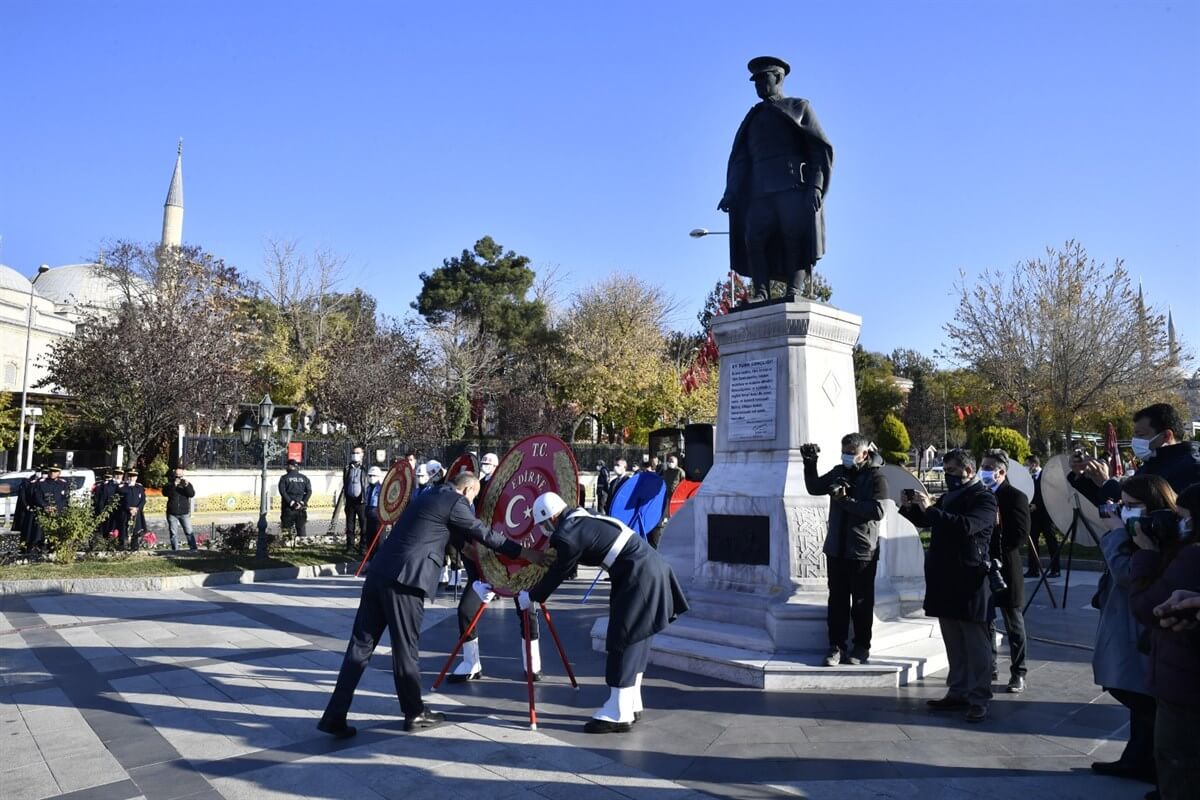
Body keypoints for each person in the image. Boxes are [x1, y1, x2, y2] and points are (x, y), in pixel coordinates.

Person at [317, 473, 543, 738]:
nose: (472, 502)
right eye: (474, 495)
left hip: (379, 574)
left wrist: (471, 553)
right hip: (405, 580)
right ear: (468, 488)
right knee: (406, 649)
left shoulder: (430, 496)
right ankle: (414, 713)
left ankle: (334, 714)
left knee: (360, 647)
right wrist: (524, 552)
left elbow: (445, 534)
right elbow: (484, 533)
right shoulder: (455, 501)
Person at [515, 491, 689, 733]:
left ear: (552, 517)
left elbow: (559, 571)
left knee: (624, 640)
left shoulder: (566, 534)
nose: (545, 530)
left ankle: (618, 711)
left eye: (544, 524)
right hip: (644, 569)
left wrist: (532, 595)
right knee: (636, 638)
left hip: (637, 574)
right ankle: (630, 701)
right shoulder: (583, 517)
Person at [719, 55, 833, 304]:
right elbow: (741, 160)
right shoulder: (753, 118)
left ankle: (795, 290)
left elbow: (818, 150)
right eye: (755, 80)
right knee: (754, 237)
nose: (759, 84)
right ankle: (761, 291)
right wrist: (731, 191)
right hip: (759, 191)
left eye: (763, 78)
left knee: (794, 237)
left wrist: (815, 185)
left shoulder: (799, 107)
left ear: (779, 77)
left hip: (792, 187)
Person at [1091, 474, 1178, 786]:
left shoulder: (1159, 537)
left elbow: (1129, 575)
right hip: (1122, 623)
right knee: (1134, 693)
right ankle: (1137, 757)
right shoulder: (1138, 533)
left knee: (1139, 694)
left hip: (1139, 629)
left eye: (1132, 506)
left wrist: (1115, 535)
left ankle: (1152, 764)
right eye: (1121, 505)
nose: (1123, 512)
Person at [900, 449, 997, 723]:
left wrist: (931, 509)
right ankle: (958, 690)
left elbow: (965, 526)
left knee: (976, 644)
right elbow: (932, 522)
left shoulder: (984, 499)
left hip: (970, 580)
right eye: (946, 471)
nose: (948, 476)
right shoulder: (949, 496)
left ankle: (979, 697)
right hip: (945, 578)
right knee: (953, 641)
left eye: (952, 471)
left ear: (968, 471)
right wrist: (911, 508)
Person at [1129, 483, 1200, 800]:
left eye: (1184, 518)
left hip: (1183, 681)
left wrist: (1145, 554)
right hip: (1179, 674)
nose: (1179, 523)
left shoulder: (1192, 556)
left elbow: (1148, 607)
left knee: (1178, 764)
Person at [449, 450, 543, 684]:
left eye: (491, 462)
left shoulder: (516, 486)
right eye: (484, 463)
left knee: (526, 610)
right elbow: (463, 524)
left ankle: (532, 664)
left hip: (515, 560)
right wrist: (464, 547)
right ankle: (471, 663)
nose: (487, 466)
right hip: (483, 561)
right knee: (466, 610)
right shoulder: (476, 488)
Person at [802, 434, 888, 666]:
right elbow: (814, 488)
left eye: (852, 452)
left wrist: (845, 500)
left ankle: (861, 646)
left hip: (862, 550)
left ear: (865, 454)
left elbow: (877, 511)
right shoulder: (839, 471)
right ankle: (836, 646)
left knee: (861, 601)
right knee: (837, 600)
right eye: (845, 451)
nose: (847, 456)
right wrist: (809, 463)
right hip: (836, 549)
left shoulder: (876, 477)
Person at [980, 450, 1031, 693]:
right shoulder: (980, 495)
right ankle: (989, 666)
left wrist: (997, 544)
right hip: (982, 566)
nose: (985, 471)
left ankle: (1018, 671)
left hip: (1006, 567)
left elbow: (1020, 535)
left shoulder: (1015, 497)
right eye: (983, 466)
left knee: (1014, 622)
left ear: (1001, 471)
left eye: (989, 467)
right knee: (986, 620)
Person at [1132, 403, 1200, 493]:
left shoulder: (1193, 469)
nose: (1135, 440)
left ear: (1166, 436)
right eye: (1134, 436)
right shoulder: (1147, 467)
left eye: (1141, 435)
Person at [1024, 456, 1061, 578]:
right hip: (1034, 516)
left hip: (1046, 515)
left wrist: (1037, 505)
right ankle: (1033, 569)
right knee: (1032, 542)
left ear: (1034, 464)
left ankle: (1055, 569)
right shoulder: (1029, 478)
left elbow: (1049, 494)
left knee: (1051, 542)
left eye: (1028, 464)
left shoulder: (1046, 476)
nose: (1027, 467)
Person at [29, 464, 69, 551]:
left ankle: (54, 548)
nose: (52, 473)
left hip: (57, 512)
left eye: (55, 471)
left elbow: (65, 499)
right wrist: (45, 506)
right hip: (44, 511)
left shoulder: (63, 483)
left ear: (59, 472)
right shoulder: (41, 483)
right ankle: (40, 548)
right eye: (51, 471)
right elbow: (37, 496)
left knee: (56, 532)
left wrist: (56, 507)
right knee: (40, 533)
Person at [342, 445, 370, 553]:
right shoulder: (347, 468)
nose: (355, 455)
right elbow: (345, 482)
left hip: (361, 500)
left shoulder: (366, 468)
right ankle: (350, 546)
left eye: (358, 453)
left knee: (364, 525)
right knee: (350, 525)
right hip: (350, 500)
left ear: (362, 454)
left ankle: (363, 547)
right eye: (354, 453)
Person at [162, 466, 197, 551]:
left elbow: (191, 494)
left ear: (183, 475)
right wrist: (174, 485)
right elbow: (165, 493)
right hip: (172, 513)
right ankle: (175, 550)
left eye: (180, 476)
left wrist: (187, 486)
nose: (179, 478)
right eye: (177, 476)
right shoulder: (169, 484)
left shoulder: (186, 484)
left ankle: (193, 549)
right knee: (173, 533)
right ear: (174, 475)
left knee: (189, 531)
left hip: (184, 513)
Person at [278, 459, 312, 538]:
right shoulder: (304, 478)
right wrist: (302, 503)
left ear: (290, 466)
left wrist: (291, 503)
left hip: (288, 508)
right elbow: (309, 491)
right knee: (301, 529)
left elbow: (282, 492)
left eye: (287, 466)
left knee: (286, 530)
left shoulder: (284, 478)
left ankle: (286, 546)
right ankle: (302, 546)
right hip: (301, 509)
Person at [117, 469, 147, 551]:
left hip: (136, 513)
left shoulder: (139, 487)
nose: (131, 478)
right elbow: (120, 500)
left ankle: (134, 547)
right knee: (124, 530)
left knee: (135, 530)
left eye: (133, 476)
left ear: (136, 477)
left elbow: (143, 500)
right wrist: (128, 508)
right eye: (130, 476)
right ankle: (122, 547)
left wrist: (137, 508)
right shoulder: (122, 487)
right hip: (125, 512)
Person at [93, 468, 122, 541]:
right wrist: (102, 510)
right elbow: (102, 499)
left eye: (120, 474)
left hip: (121, 512)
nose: (118, 476)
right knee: (107, 529)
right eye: (116, 474)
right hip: (109, 511)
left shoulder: (124, 485)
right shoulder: (107, 486)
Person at [362, 465, 384, 549]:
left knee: (378, 537)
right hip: (368, 513)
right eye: (370, 475)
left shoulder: (381, 488)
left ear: (378, 476)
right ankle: (370, 555)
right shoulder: (367, 488)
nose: (372, 477)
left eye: (374, 475)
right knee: (369, 536)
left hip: (377, 514)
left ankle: (377, 554)